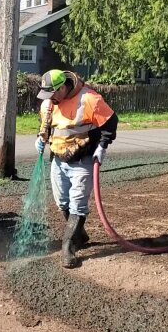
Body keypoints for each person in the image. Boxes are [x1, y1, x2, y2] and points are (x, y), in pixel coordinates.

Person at [35, 69, 118, 269]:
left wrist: (102, 146)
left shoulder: (89, 99)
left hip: (83, 160)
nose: (50, 99)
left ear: (63, 87)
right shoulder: (48, 104)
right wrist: (40, 137)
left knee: (77, 205)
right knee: (62, 201)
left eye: (53, 94)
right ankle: (80, 234)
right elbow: (46, 126)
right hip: (59, 160)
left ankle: (69, 247)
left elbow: (110, 123)